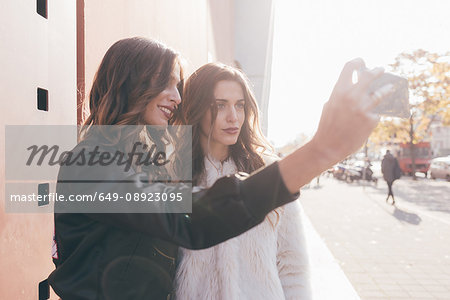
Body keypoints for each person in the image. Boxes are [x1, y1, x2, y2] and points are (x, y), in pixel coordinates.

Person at [46, 37, 392, 300]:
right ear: (131, 83)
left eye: (178, 85)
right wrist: (320, 151)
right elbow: (192, 219)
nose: (176, 97)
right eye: (165, 82)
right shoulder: (91, 162)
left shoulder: (139, 161)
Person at [173, 63, 311, 299]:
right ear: (196, 108)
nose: (233, 117)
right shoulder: (174, 175)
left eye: (240, 105)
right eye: (220, 105)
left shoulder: (268, 173)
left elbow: (293, 266)